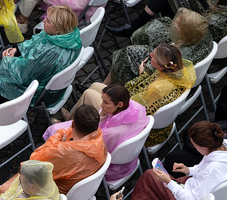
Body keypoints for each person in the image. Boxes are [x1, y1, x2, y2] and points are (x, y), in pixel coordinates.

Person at [67, 44, 196, 148]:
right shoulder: (179, 74)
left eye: (154, 56)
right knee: (95, 86)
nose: (150, 54)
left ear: (162, 67)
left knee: (89, 93)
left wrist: (141, 78)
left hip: (137, 126)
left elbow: (129, 104)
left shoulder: (157, 88)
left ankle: (71, 128)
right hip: (160, 123)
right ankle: (75, 119)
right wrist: (143, 75)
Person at [7, 105, 107, 200]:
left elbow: (33, 162)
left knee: (6, 189)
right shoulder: (100, 142)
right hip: (82, 197)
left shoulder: (63, 152)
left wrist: (59, 144)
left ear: (72, 124)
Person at [131, 121, 227, 200]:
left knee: (149, 176)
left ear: (204, 146)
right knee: (153, 180)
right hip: (201, 193)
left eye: (195, 145)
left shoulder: (213, 169)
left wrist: (168, 182)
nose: (194, 147)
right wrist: (189, 170)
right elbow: (204, 169)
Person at [0, 5, 81, 107]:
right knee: (3, 56)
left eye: (48, 21)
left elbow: (23, 74)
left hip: (33, 93)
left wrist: (7, 60)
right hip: (48, 86)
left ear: (58, 29)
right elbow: (35, 45)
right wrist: (17, 49)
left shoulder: (50, 53)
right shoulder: (70, 38)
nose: (43, 20)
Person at [45, 84, 149, 183]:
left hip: (109, 167)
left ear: (120, 104)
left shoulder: (110, 133)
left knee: (56, 132)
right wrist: (102, 114)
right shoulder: (136, 109)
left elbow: (91, 147)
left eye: (105, 102)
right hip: (128, 159)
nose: (101, 104)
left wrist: (65, 144)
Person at [107, 8, 211, 87]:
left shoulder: (172, 59)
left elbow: (149, 81)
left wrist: (142, 73)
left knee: (124, 58)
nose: (173, 23)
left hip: (147, 88)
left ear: (183, 34)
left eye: (177, 23)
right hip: (176, 87)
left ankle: (107, 86)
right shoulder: (198, 40)